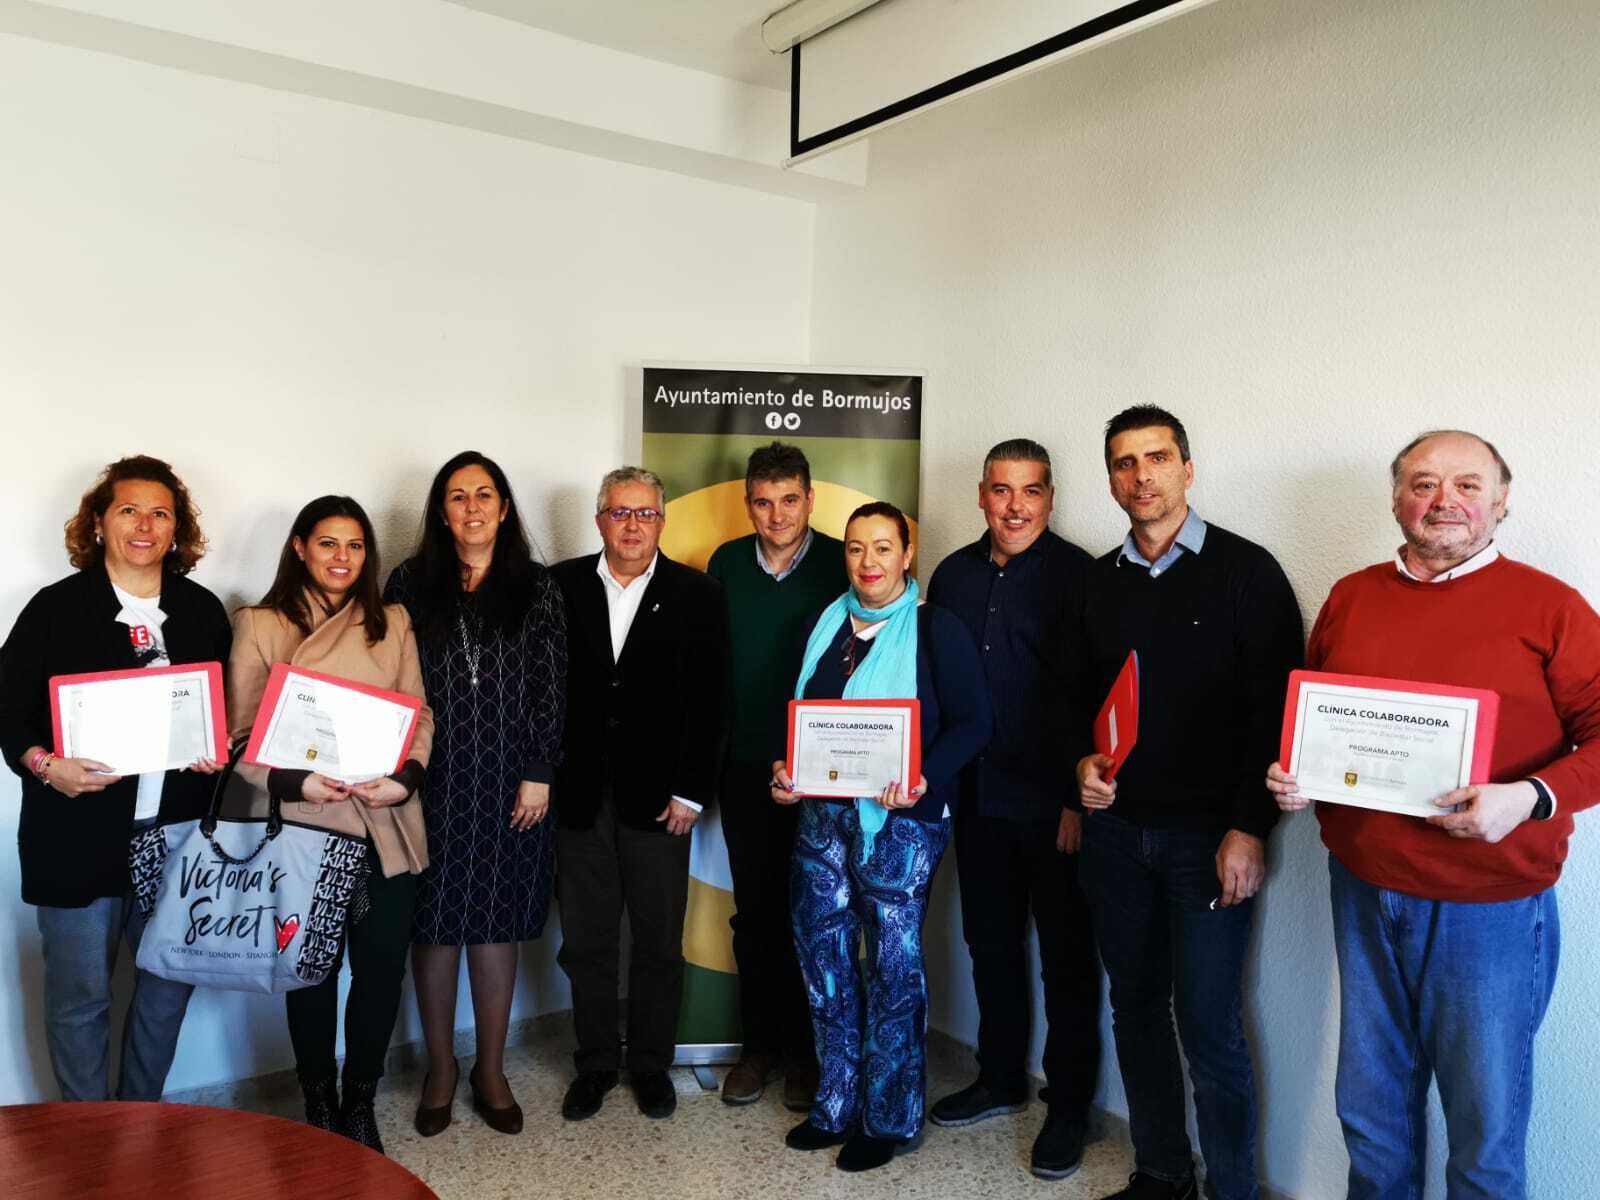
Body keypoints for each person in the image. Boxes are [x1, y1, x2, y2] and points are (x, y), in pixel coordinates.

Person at [1265, 430, 1600, 1200]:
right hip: (1363, 889)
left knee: (1483, 1135)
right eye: (1423, 483)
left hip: (1489, 910)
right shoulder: (1351, 595)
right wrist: (1298, 776)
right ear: (1395, 499)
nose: (1444, 501)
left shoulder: (1550, 607)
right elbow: (1319, 722)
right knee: (1373, 1117)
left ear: (1502, 502)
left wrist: (1528, 797)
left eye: (1468, 485)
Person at [1074, 407, 1302, 1200]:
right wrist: (1081, 762)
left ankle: (1232, 1190)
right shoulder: (1096, 584)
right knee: (1133, 1009)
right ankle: (1161, 1173)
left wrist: (1249, 827)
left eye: (1157, 458)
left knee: (1209, 1025)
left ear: (1188, 469)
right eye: (1124, 463)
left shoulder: (1247, 573)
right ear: (1110, 479)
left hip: (1208, 840)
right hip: (1116, 837)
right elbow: (1073, 701)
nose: (1141, 476)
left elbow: (1275, 714)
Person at [0, 455, 230, 1102]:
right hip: (75, 835)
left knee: (165, 996)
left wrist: (217, 749)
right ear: (99, 522)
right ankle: (85, 1144)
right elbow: (8, 713)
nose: (145, 524)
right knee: (79, 1002)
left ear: (177, 529)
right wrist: (47, 765)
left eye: (161, 512)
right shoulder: (56, 609)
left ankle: (138, 1130)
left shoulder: (202, 610)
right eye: (129, 508)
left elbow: (223, 716)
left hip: (180, 838)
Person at [772, 501, 992, 1173]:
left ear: (907, 555)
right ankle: (835, 1102)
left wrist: (923, 776)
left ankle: (890, 1116)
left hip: (901, 821)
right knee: (825, 963)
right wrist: (788, 772)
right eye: (857, 549)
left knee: (893, 969)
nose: (869, 563)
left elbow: (974, 724)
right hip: (823, 820)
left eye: (883, 549)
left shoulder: (935, 630)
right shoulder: (827, 623)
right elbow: (809, 720)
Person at [228, 495, 433, 1154]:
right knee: (308, 968)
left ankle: (361, 1097)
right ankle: (318, 1095)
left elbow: (419, 716)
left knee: (380, 967)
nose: (342, 558)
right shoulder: (259, 624)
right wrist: (297, 782)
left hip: (381, 817)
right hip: (303, 821)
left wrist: (404, 777)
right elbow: (239, 739)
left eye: (354, 546)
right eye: (327, 544)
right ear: (299, 548)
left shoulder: (392, 620)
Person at [927, 438, 1103, 1179]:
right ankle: (1000, 1078)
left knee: (1066, 960)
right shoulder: (950, 575)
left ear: (1051, 497)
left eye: (1030, 491)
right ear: (980, 495)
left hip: (1052, 806)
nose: (1015, 506)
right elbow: (933, 685)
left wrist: (1074, 803)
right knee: (989, 946)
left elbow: (1098, 698)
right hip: (973, 799)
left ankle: (1070, 1107)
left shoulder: (1083, 578)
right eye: (1001, 490)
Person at [384, 451, 567, 1137]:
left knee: (495, 925)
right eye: (457, 497)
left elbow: (553, 686)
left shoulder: (537, 586)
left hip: (513, 781)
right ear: (441, 510)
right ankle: (441, 1066)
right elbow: (391, 677)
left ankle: (490, 1067)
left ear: (505, 507)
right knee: (433, 924)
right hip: (429, 777)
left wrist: (540, 769)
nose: (472, 508)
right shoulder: (409, 581)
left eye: (484, 494)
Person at [550, 466, 729, 1122]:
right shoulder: (559, 586)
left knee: (657, 940)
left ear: (662, 520)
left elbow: (712, 702)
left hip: (663, 800)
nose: (632, 525)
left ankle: (652, 1063)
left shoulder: (698, 595)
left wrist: (691, 791)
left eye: (645, 514)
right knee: (587, 940)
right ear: (600, 520)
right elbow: (541, 692)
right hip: (578, 795)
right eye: (620, 513)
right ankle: (596, 1062)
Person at [706, 442, 845, 1110]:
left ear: (810, 500)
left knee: (815, 914)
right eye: (763, 501)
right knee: (755, 914)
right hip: (744, 771)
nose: (777, 514)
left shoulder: (840, 563)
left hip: (824, 771)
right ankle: (759, 1046)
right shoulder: (727, 563)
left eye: (790, 499)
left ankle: (808, 1053)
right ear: (748, 504)